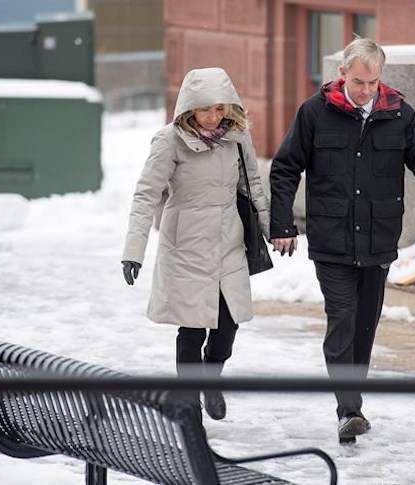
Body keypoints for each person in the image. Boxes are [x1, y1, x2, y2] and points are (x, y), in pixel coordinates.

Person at [269, 38, 415, 443]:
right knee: (343, 320)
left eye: (373, 81)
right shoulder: (315, 113)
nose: (366, 89)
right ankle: (348, 410)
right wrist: (282, 225)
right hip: (331, 239)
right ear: (342, 75)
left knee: (365, 327)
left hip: (378, 240)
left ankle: (351, 405)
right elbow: (285, 169)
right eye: (358, 81)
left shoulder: (398, 114)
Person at [121, 67, 270, 421]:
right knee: (191, 328)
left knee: (227, 326)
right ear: (188, 108)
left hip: (229, 242)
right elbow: (146, 196)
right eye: (206, 109)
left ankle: (211, 377)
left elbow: (252, 187)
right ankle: (189, 405)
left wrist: (271, 228)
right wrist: (134, 251)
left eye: (220, 108)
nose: (213, 116)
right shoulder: (168, 141)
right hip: (185, 245)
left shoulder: (236, 138)